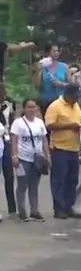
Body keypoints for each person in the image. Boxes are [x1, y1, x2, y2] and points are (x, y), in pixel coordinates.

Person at [45, 84, 81, 220]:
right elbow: (49, 125)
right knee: (59, 180)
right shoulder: (55, 106)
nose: (76, 99)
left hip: (74, 148)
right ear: (68, 95)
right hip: (60, 148)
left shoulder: (76, 106)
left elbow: (80, 122)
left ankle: (69, 206)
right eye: (75, 97)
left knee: (72, 180)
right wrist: (68, 125)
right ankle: (59, 208)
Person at [10, 98, 49, 222]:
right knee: (22, 185)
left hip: (36, 159)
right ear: (24, 108)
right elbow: (14, 140)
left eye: (33, 107)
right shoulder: (18, 123)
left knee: (34, 185)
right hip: (23, 158)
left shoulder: (39, 122)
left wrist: (47, 156)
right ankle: (22, 211)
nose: (31, 110)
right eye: (29, 107)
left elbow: (44, 140)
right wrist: (14, 156)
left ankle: (34, 210)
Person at [35, 44, 68, 115]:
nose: (57, 53)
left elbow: (71, 85)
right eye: (54, 51)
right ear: (48, 53)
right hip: (46, 101)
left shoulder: (64, 67)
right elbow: (37, 85)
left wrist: (61, 84)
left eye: (57, 51)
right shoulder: (42, 67)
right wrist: (39, 70)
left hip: (60, 100)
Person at [0, 85, 16, 215]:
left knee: (9, 175)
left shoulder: (9, 103)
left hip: (7, 140)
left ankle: (12, 207)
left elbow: (11, 118)